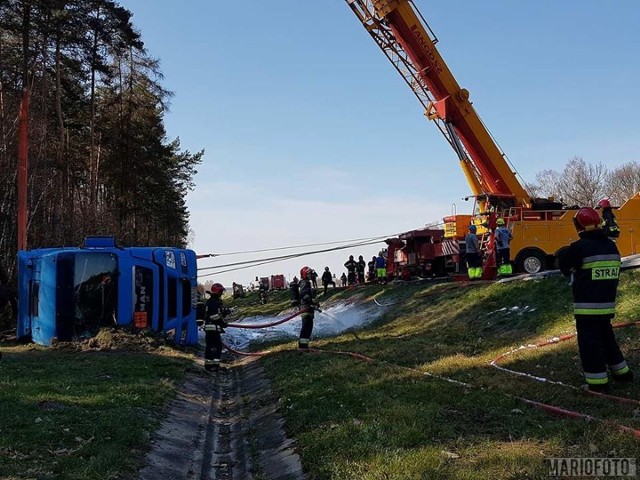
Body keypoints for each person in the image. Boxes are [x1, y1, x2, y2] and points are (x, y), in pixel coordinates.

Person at [559, 207, 632, 392]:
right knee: (607, 339)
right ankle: (622, 373)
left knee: (590, 345)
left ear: (579, 226)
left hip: (587, 307)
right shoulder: (610, 245)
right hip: (607, 305)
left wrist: (564, 255)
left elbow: (565, 269)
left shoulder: (579, 247)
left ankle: (597, 384)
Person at [204, 283, 232, 372]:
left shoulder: (212, 301)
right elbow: (214, 316)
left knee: (211, 346)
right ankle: (214, 366)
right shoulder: (213, 302)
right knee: (216, 346)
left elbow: (216, 313)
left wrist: (224, 313)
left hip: (211, 327)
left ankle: (211, 365)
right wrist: (222, 323)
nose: (221, 293)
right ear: (217, 291)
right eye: (220, 291)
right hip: (213, 327)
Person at [291, 266, 320, 349]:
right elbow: (303, 294)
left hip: (307, 308)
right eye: (309, 273)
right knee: (306, 328)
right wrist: (312, 302)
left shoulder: (306, 282)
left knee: (308, 327)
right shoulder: (304, 282)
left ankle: (304, 346)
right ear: (304, 274)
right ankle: (302, 347)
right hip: (305, 308)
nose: (311, 275)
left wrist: (314, 303)